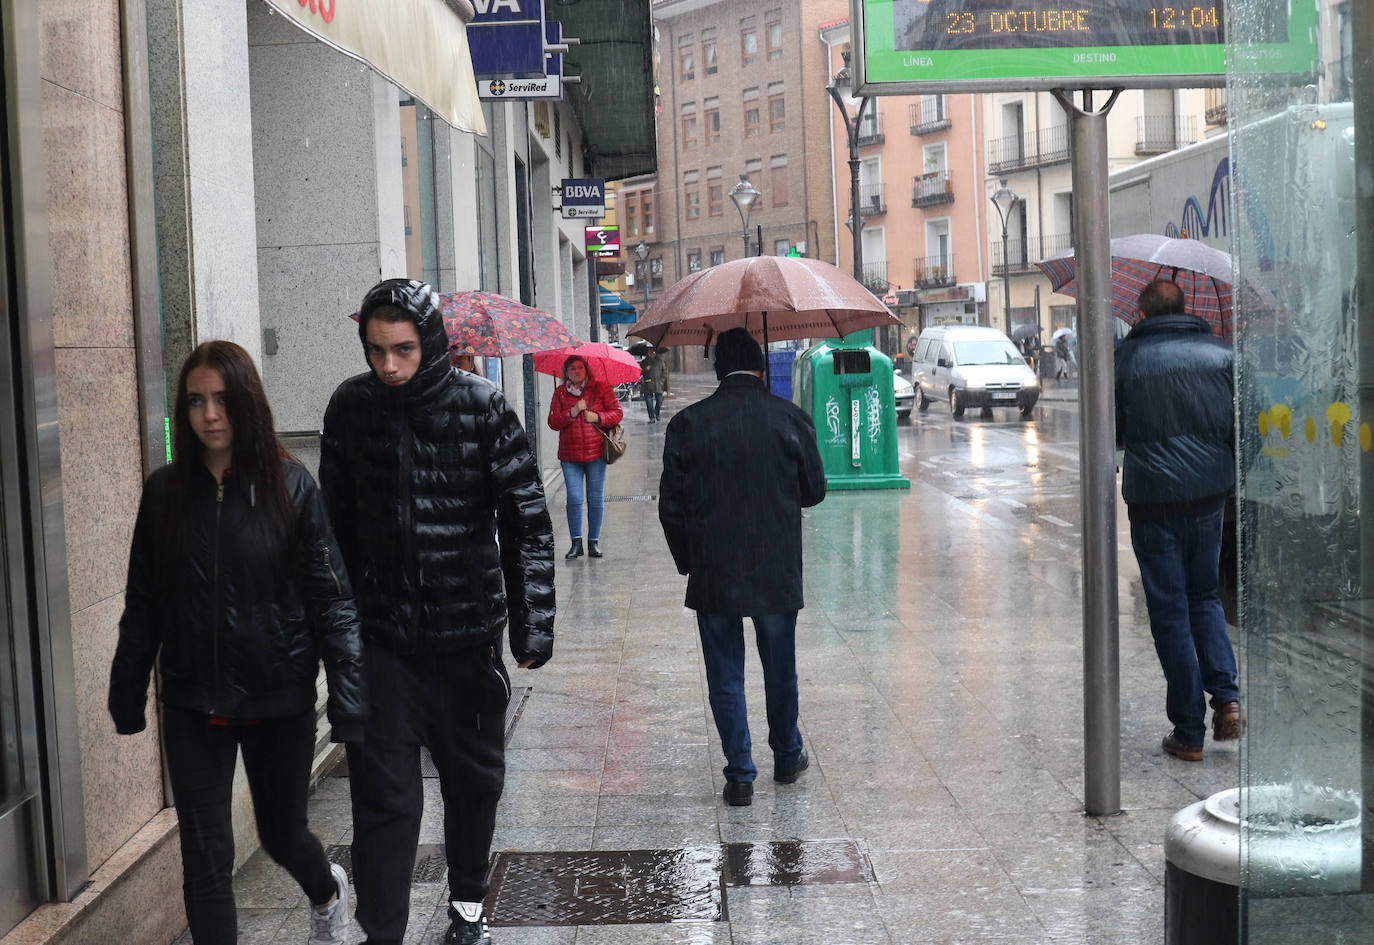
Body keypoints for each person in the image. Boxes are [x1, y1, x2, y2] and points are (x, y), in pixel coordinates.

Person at [319, 279, 555, 945]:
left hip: (465, 638)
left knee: (473, 782)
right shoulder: (350, 409)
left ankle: (468, 906)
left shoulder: (483, 409)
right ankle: (382, 930)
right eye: (376, 351)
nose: (388, 365)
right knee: (384, 800)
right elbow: (329, 531)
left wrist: (533, 619)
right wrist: (334, 631)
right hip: (382, 643)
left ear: (431, 344)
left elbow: (527, 520)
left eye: (402, 349)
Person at [108, 340, 364, 945]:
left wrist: (350, 700)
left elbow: (334, 600)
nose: (210, 413)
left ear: (246, 403)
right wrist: (127, 686)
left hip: (279, 698)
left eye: (222, 399)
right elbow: (143, 599)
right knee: (204, 856)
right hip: (194, 701)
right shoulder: (165, 493)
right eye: (196, 400)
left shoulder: (292, 488)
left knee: (281, 834)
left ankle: (326, 890)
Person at [658, 328, 827, 807]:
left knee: (725, 673)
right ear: (759, 367)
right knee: (780, 667)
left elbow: (670, 507)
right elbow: (814, 491)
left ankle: (740, 775)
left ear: (717, 369)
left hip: (714, 571)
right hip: (775, 569)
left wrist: (690, 561)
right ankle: (788, 755)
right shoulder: (789, 418)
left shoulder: (689, 424)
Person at [1115, 280, 1241, 762]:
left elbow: (1116, 430)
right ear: (1185, 309)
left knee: (1169, 609)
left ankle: (1189, 731)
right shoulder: (1221, 355)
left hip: (1152, 501)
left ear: (1143, 313)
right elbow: (1237, 425)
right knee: (1204, 595)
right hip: (1209, 495)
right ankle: (1226, 698)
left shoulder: (1127, 359)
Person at [547, 355, 623, 559]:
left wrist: (598, 417)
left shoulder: (600, 388)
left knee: (595, 498)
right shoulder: (560, 393)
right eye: (572, 368)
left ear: (587, 370)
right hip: (570, 456)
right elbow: (553, 422)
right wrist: (572, 412)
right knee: (574, 497)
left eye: (580, 367)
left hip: (596, 454)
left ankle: (593, 542)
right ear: (566, 373)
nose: (577, 371)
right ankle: (576, 543)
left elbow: (617, 412)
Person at [639, 346, 669, 423]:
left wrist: (661, 382)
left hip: (658, 385)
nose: (652, 353)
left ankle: (657, 414)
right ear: (648, 352)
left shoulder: (660, 361)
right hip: (647, 385)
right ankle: (652, 417)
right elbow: (640, 372)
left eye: (653, 351)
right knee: (649, 403)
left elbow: (664, 373)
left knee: (659, 401)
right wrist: (646, 369)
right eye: (650, 351)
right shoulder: (644, 362)